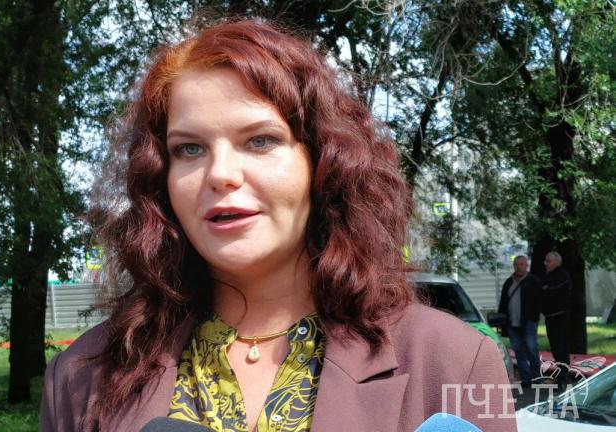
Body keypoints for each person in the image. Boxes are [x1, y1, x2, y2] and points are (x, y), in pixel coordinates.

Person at [40, 20, 515, 432]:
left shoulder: (455, 361)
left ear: (324, 162)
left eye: (260, 141)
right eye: (189, 149)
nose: (220, 173)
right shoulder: (79, 376)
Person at [498, 255, 541, 388]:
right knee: (518, 351)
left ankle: (537, 378)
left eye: (521, 264)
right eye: (516, 264)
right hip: (512, 322)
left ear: (526, 266)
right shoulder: (508, 282)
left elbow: (539, 302)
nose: (518, 267)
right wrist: (501, 322)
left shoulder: (533, 281)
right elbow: (503, 303)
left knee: (531, 348)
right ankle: (526, 379)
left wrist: (534, 316)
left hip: (529, 321)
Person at [541, 251, 572, 386]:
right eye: (545, 261)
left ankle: (564, 376)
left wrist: (546, 289)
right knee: (555, 348)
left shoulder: (562, 275)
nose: (545, 263)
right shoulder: (547, 276)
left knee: (561, 347)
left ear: (557, 262)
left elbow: (553, 290)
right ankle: (561, 374)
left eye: (548, 261)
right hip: (550, 317)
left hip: (560, 317)